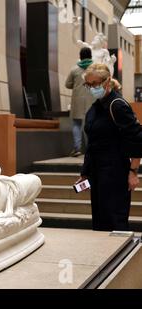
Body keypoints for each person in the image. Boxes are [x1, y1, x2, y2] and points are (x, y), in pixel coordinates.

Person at [78, 63, 140, 231]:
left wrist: (133, 171)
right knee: (99, 221)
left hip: (115, 172)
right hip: (97, 173)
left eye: (94, 84)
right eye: (88, 85)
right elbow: (92, 144)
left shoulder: (117, 104)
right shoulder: (95, 108)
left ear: (107, 82)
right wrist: (85, 173)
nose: (91, 88)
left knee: (115, 221)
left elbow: (137, 139)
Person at [65, 47, 95, 157]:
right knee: (90, 125)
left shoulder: (74, 70)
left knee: (76, 124)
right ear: (91, 56)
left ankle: (77, 148)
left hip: (77, 101)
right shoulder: (95, 69)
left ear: (80, 56)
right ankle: (90, 149)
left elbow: (67, 84)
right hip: (92, 101)